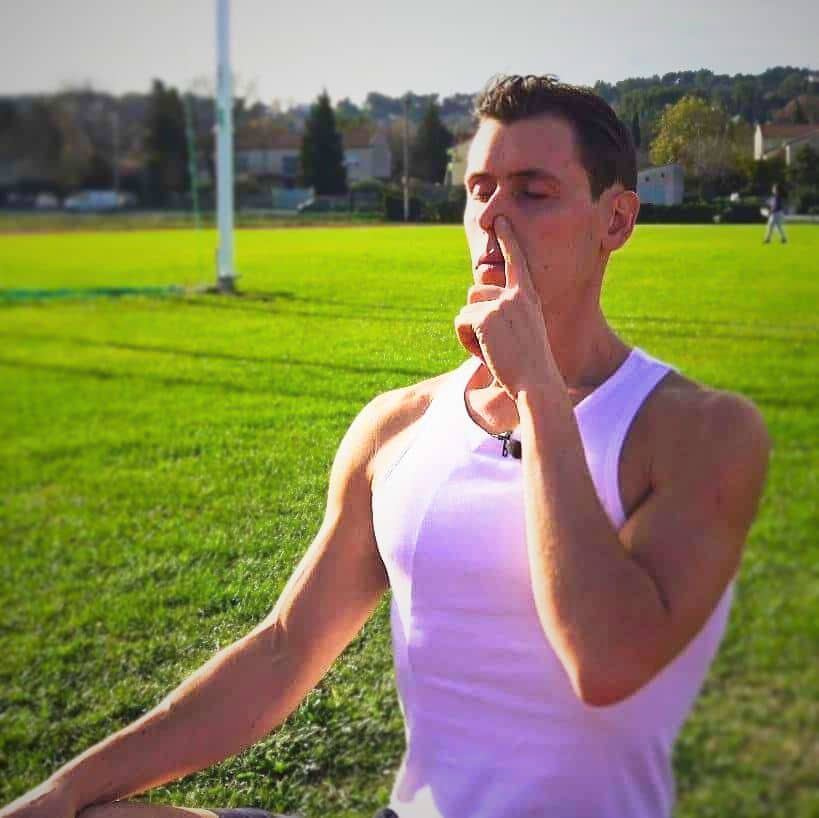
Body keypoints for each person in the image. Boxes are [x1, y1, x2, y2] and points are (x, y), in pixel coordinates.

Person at [1, 75, 770, 818]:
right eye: (479, 190)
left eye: (532, 193)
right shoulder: (398, 425)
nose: (493, 218)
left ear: (616, 220)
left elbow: (605, 663)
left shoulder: (697, 431)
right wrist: (63, 790)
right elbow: (284, 649)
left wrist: (536, 389)